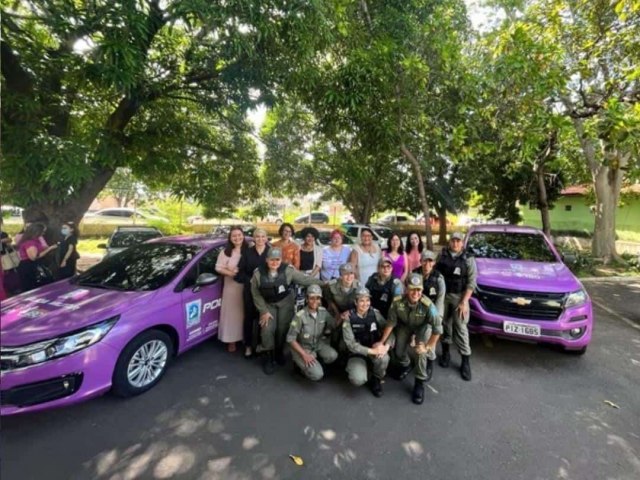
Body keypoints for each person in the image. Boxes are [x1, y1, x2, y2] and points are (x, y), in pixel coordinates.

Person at [251, 247, 322, 375]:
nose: (274, 262)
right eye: (272, 260)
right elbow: (255, 293)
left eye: (277, 260)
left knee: (283, 329)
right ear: (266, 260)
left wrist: (325, 284)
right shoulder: (258, 273)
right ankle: (268, 356)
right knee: (267, 329)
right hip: (268, 305)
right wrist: (263, 311)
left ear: (281, 260)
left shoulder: (288, 270)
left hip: (285, 303)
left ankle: (278, 352)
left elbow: (305, 280)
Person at [378, 273, 442, 405]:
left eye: (418, 290)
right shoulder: (397, 302)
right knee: (399, 351)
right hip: (405, 326)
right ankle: (406, 364)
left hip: (422, 327)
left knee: (420, 352)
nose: (415, 293)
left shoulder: (428, 305)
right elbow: (391, 323)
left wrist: (427, 347)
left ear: (422, 290)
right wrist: (382, 341)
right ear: (406, 289)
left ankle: (419, 382)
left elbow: (437, 329)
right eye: (412, 289)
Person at [435, 232, 476, 381]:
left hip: (460, 297)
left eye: (458, 241)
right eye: (453, 240)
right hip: (444, 296)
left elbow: (471, 282)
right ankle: (445, 352)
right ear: (449, 241)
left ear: (462, 243)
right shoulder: (443, 255)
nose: (455, 243)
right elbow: (435, 272)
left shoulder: (468, 258)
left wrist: (464, 301)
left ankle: (465, 360)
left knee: (461, 327)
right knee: (445, 324)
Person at [342, 287, 390, 397]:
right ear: (355, 302)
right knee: (357, 379)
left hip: (373, 346)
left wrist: (385, 346)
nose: (365, 304)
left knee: (384, 358)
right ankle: (357, 367)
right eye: (361, 301)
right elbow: (351, 345)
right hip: (357, 352)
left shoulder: (375, 313)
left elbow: (389, 330)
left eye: (367, 300)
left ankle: (376, 378)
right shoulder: (348, 318)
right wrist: (373, 351)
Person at [286, 284, 338, 381]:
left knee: (333, 355)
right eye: (312, 298)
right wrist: (304, 355)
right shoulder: (300, 316)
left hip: (317, 344)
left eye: (318, 298)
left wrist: (342, 316)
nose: (315, 301)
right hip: (303, 347)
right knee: (317, 375)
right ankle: (299, 367)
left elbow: (334, 324)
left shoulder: (323, 312)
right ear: (306, 299)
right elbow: (290, 339)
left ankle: (315, 361)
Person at [235, 228, 270, 358]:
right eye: (257, 237)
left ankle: (261, 344)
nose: (260, 239)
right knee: (249, 318)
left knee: (264, 317)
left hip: (266, 291)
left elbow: (277, 270)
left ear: (266, 238)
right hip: (250, 290)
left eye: (263, 236)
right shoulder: (247, 253)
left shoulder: (271, 252)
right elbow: (239, 274)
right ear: (253, 238)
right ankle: (248, 346)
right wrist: (251, 280)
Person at [215, 226, 248, 353]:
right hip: (231, 286)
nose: (237, 238)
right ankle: (231, 340)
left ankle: (244, 337)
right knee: (231, 315)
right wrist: (231, 273)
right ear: (230, 238)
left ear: (243, 235)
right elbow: (218, 267)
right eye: (234, 235)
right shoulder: (225, 252)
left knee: (245, 313)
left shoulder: (249, 249)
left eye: (239, 235)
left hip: (246, 285)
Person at [16, 223, 57, 293]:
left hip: (30, 265)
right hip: (28, 267)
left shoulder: (34, 240)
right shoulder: (30, 243)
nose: (43, 233)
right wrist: (49, 249)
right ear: (37, 231)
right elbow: (33, 257)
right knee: (30, 288)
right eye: (43, 232)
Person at [414, 250, 445, 321]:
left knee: (434, 325)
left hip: (433, 308)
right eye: (425, 261)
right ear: (420, 261)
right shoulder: (414, 274)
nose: (427, 264)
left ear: (434, 263)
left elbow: (440, 299)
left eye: (430, 261)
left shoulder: (439, 278)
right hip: (416, 308)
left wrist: (436, 315)